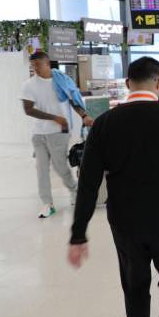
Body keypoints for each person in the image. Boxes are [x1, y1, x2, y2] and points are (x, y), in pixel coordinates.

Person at [68, 57, 159, 317]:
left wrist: (78, 234)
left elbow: (88, 185)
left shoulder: (105, 124)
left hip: (126, 224)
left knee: (135, 291)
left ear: (128, 84)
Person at [20, 51, 94, 218]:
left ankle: (75, 191)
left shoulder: (61, 81)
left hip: (59, 133)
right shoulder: (28, 85)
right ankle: (47, 203)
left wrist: (84, 116)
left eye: (38, 65)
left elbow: (73, 101)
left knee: (60, 167)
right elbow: (28, 109)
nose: (35, 69)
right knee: (41, 169)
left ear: (47, 64)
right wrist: (54, 118)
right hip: (39, 134)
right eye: (32, 66)